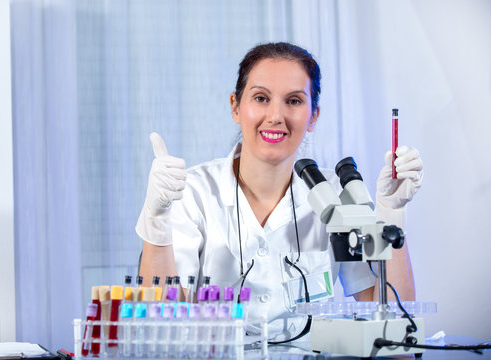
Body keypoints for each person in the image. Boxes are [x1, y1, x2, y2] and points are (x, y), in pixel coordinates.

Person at [136, 42, 423, 342]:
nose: (275, 116)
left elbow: (395, 321)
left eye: (294, 101)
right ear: (235, 106)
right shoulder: (193, 192)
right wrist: (156, 219)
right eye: (261, 98)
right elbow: (159, 327)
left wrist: (391, 216)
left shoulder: (335, 195)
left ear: (314, 116)